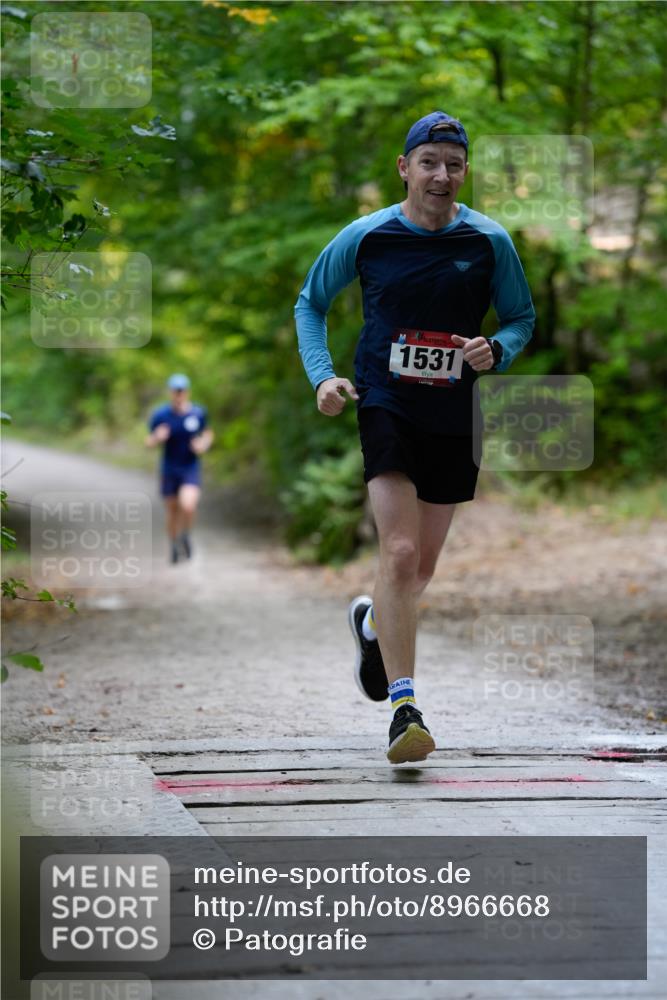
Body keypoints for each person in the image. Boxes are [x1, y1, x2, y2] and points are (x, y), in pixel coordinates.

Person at [295, 111, 535, 764]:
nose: (440, 174)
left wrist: (499, 350)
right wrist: (322, 377)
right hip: (386, 403)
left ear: (464, 172)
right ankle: (404, 710)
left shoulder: (489, 240)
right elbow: (309, 302)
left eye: (452, 164)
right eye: (428, 161)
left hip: (454, 414)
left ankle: (372, 623)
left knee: (420, 569)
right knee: (399, 554)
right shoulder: (367, 235)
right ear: (404, 168)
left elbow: (519, 316)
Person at [146, 373, 213, 564]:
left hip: (190, 468)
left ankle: (186, 535)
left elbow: (207, 433)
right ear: (170, 392)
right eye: (175, 391)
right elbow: (148, 442)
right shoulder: (161, 415)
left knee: (189, 505)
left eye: (181, 391)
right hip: (169, 469)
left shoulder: (198, 413)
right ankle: (174, 543)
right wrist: (157, 437)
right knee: (173, 511)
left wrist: (203, 444)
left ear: (187, 392)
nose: (178, 394)